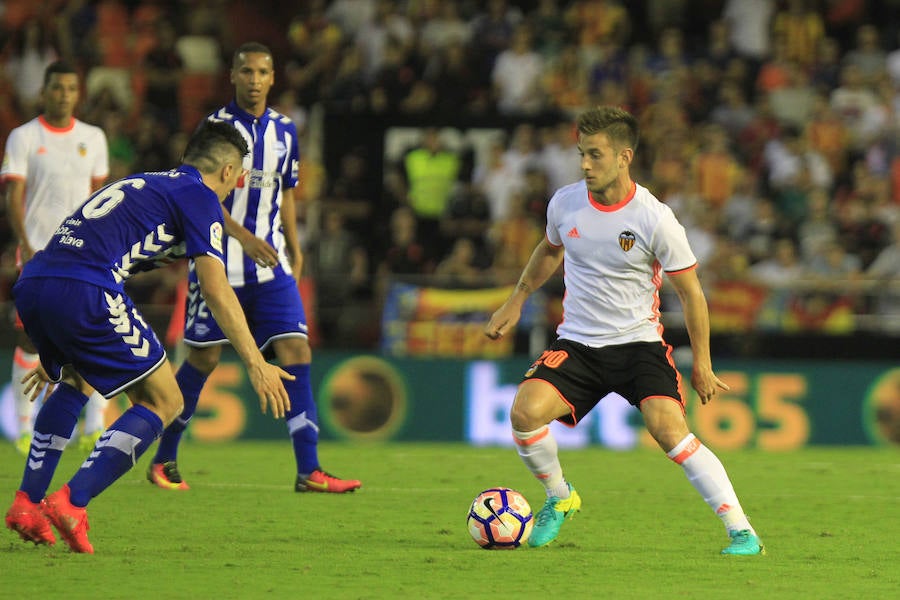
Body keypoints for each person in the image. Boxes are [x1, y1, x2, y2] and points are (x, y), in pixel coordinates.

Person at [4, 120, 294, 553]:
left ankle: (27, 503)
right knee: (165, 400)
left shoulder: (147, 183)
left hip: (36, 282)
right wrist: (255, 360)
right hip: (85, 288)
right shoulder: (199, 195)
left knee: (77, 379)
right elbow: (215, 288)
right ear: (230, 172)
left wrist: (59, 330)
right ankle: (72, 502)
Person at [484, 106, 764, 555]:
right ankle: (560, 498)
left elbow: (692, 294)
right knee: (523, 414)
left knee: (671, 433)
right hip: (577, 342)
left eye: (595, 155)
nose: (585, 165)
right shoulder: (565, 202)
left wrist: (703, 365)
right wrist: (516, 299)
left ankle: (743, 532)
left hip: (639, 345)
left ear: (624, 157)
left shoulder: (655, 218)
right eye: (581, 154)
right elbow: (549, 250)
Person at [147, 42, 361, 494]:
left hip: (272, 268)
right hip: (217, 262)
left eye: (262, 72)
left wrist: (296, 249)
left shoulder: (286, 130)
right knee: (202, 360)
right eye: (246, 71)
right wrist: (242, 236)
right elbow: (195, 193)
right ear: (232, 75)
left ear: (273, 78)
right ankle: (164, 458)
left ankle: (309, 470)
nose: (254, 80)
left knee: (298, 352)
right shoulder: (214, 128)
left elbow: (286, 192)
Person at [1, 60, 111, 456]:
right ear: (43, 92)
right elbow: (13, 196)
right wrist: (26, 244)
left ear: (77, 93)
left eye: (70, 88)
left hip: (84, 255)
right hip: (37, 251)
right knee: (29, 337)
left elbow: (101, 199)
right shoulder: (23, 136)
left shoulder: (93, 137)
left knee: (96, 333)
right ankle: (23, 428)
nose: (63, 95)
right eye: (57, 88)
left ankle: (96, 425)